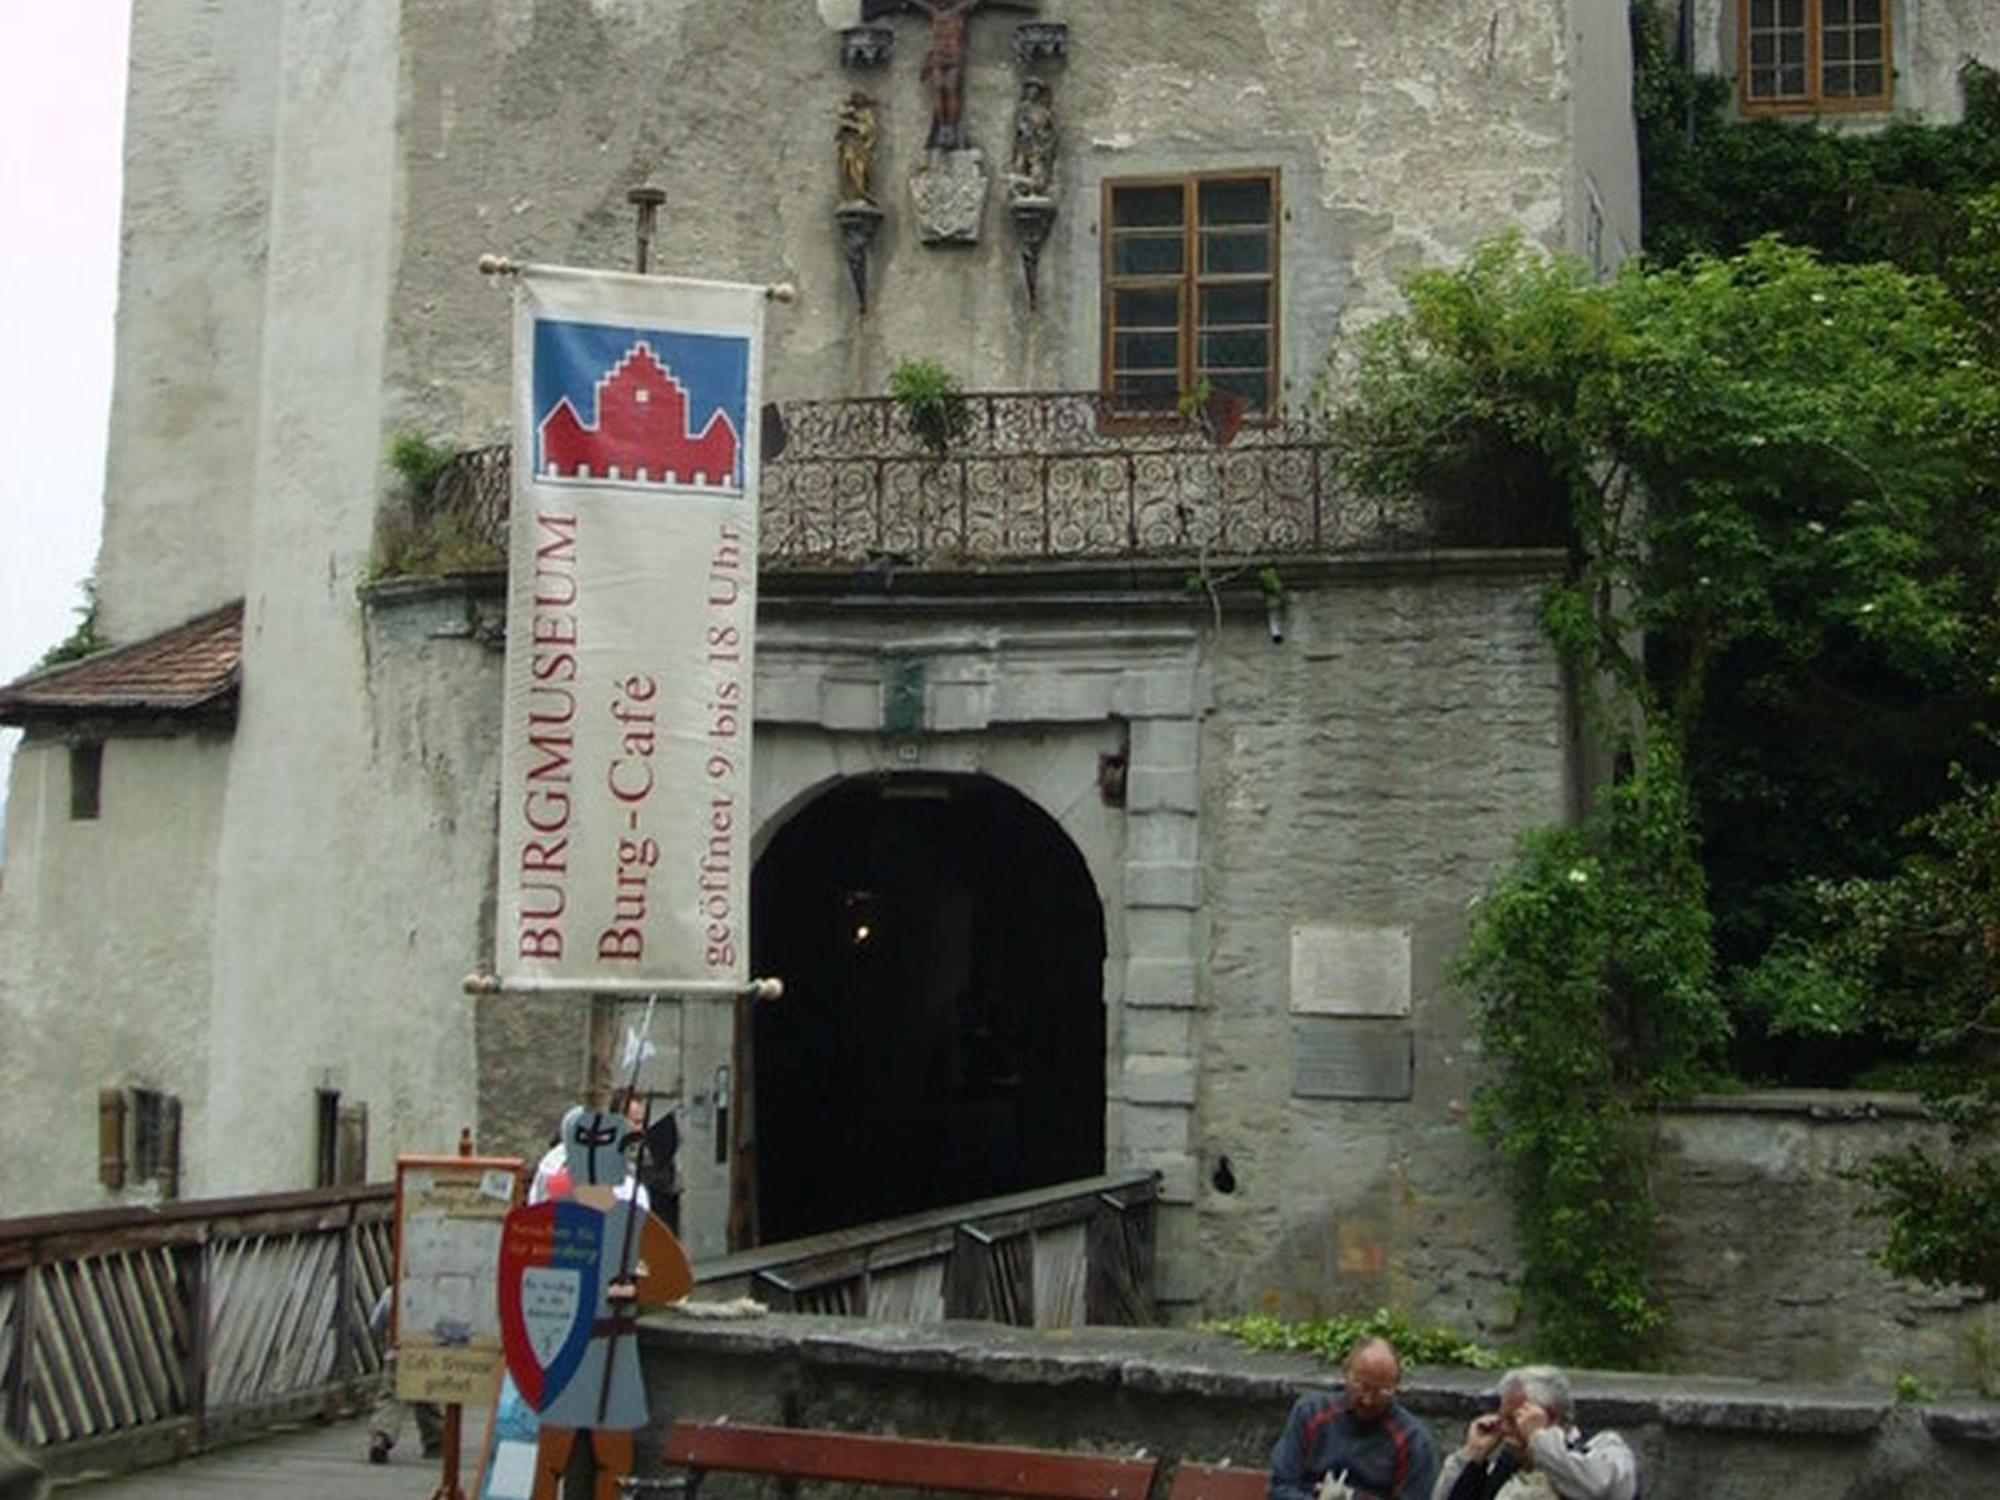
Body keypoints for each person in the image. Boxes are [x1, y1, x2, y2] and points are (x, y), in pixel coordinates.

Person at [1431, 1366, 1637, 1500]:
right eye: (1503, 1419)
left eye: (1515, 1420)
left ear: (1552, 1418)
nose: (1504, 1430)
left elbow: (1598, 1488)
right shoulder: (1503, 1465)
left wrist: (1540, 1440)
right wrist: (1471, 1456)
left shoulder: (1605, 1451)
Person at [1270, 1336, 1439, 1500]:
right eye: (1361, 1386)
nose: (1368, 1400)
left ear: (1396, 1386)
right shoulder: (1309, 1414)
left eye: (1381, 1392)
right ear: (1345, 1373)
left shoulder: (1413, 1443)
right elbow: (1279, 1487)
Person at [365, 1282, 443, 1464]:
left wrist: (384, 1342)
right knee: (426, 1395)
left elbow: (376, 1324)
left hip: (398, 1351)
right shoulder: (435, 1292)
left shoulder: (392, 1292)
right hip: (426, 1353)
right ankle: (435, 1439)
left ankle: (381, 1436)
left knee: (390, 1397)